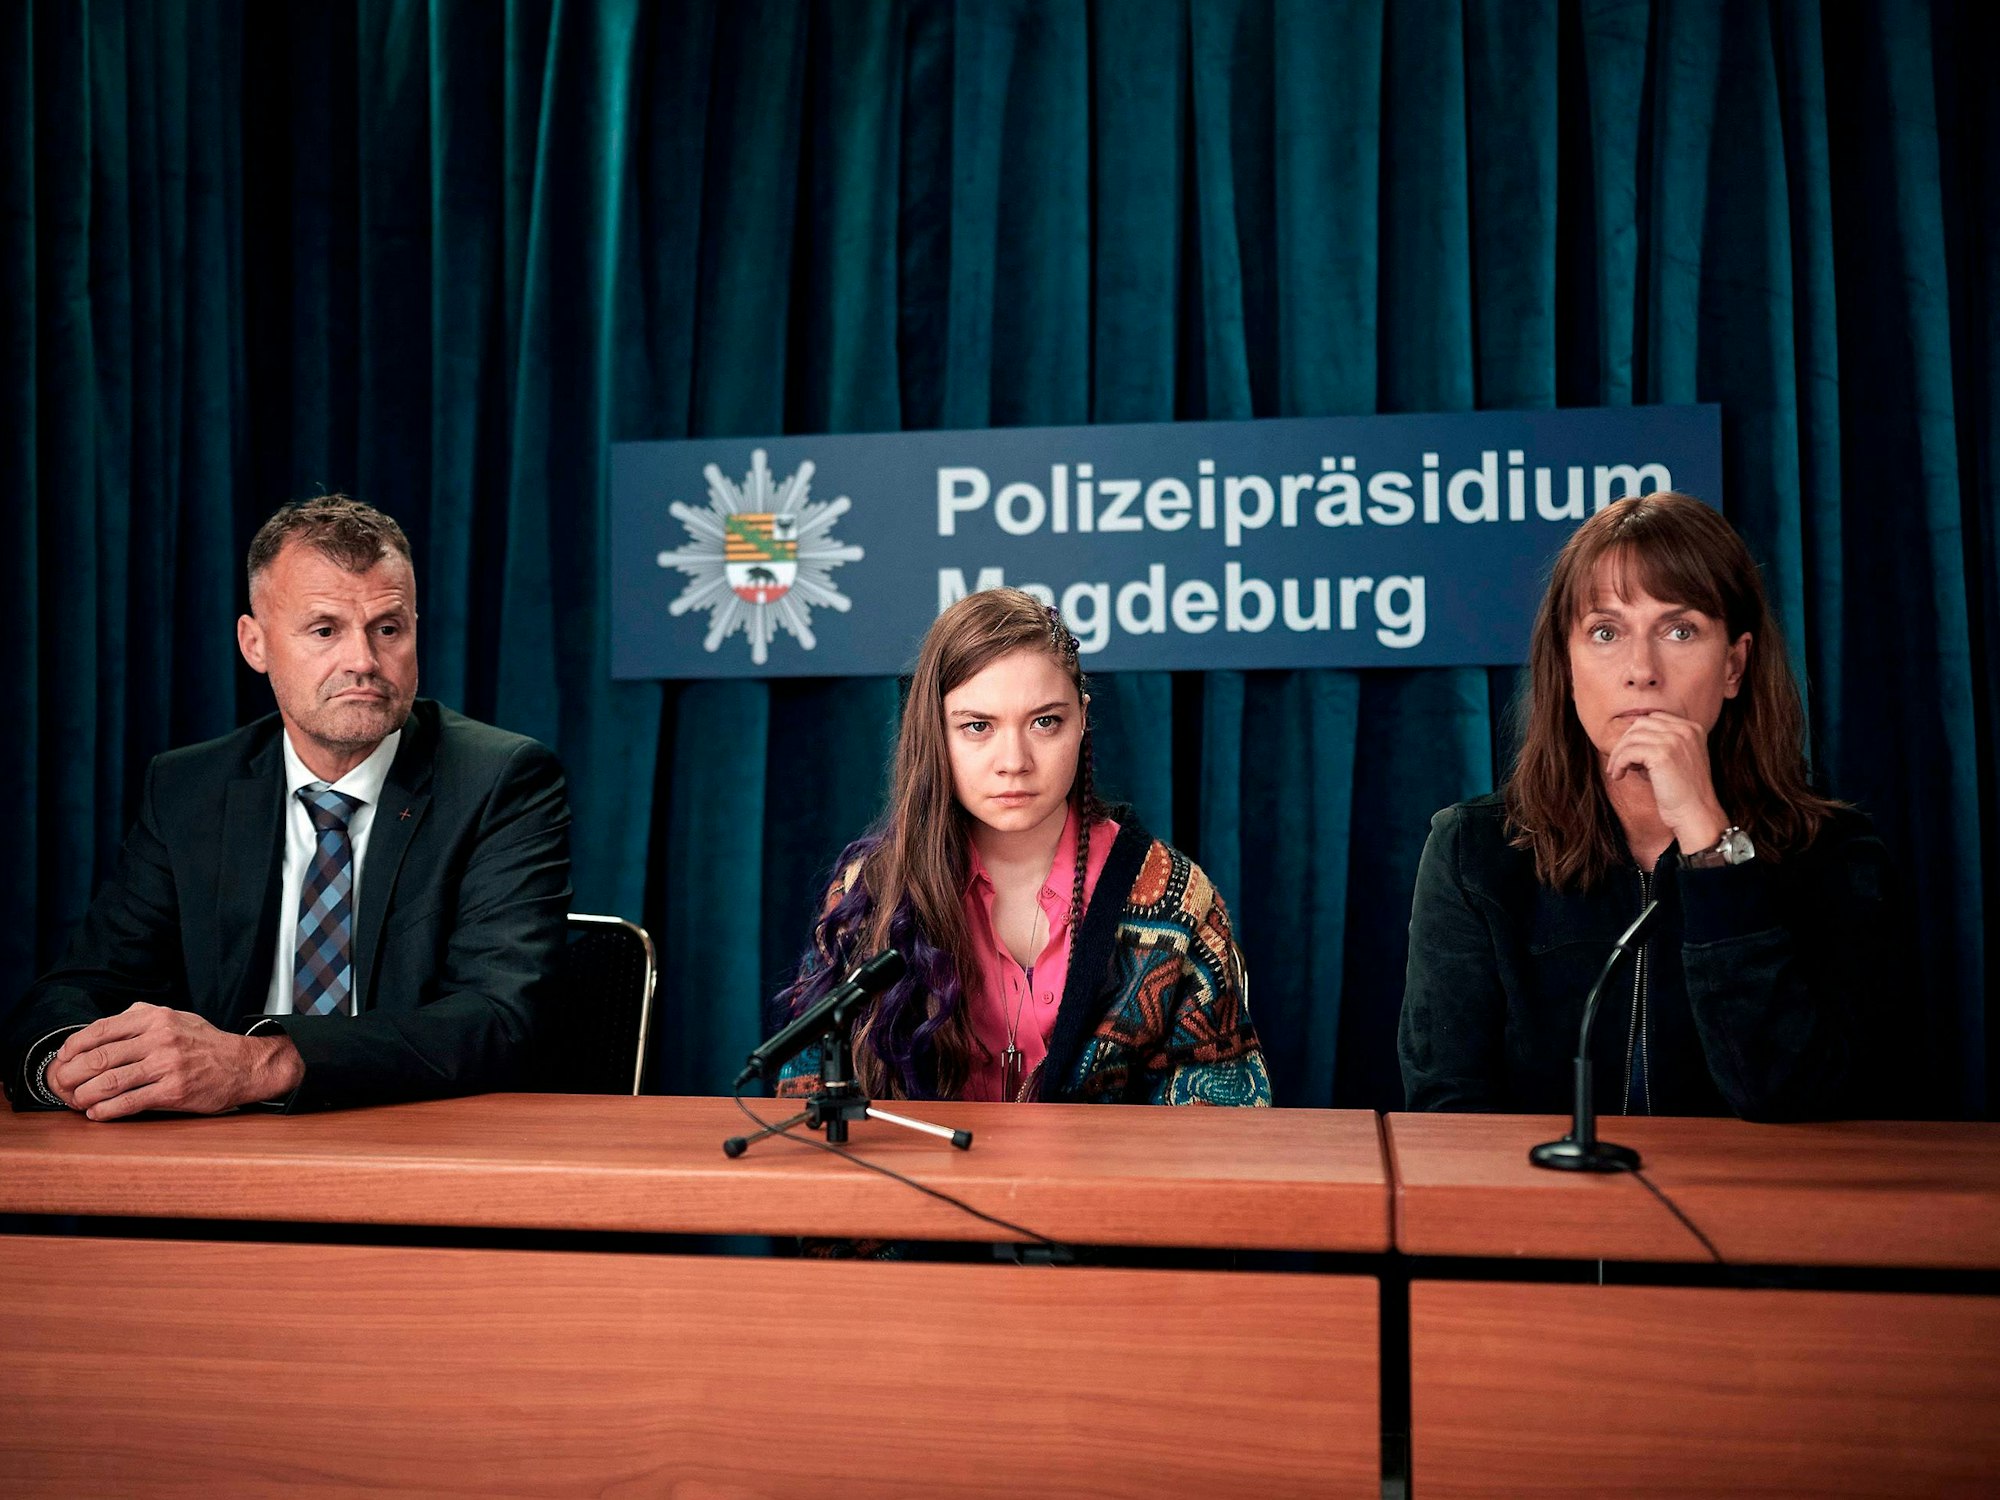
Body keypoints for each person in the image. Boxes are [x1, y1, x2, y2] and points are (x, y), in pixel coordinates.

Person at [3, 495, 572, 1117]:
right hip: (218, 1157)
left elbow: (500, 1017)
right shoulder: (189, 786)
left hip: (416, 1138)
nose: (362, 660)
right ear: (256, 643)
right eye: (325, 630)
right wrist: (71, 1068)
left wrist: (257, 1063)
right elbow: (86, 985)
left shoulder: (498, 779)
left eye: (388, 629)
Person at [1399, 492, 1900, 1121]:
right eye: (1606, 632)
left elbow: (1802, 1101)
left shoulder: (1835, 854)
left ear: (1734, 667)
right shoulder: (1473, 852)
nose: (1642, 669)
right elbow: (1447, 1111)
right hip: (1547, 1210)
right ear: (1568, 664)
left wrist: (1710, 845)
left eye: (1679, 630)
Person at [775, 587, 1268, 1108]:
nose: (1013, 760)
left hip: (1104, 1190)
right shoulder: (872, 890)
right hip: (912, 1187)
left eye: (1044, 722)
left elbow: (1227, 1113)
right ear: (934, 735)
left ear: (1081, 720)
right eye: (977, 727)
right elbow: (805, 1091)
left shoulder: (1175, 897)